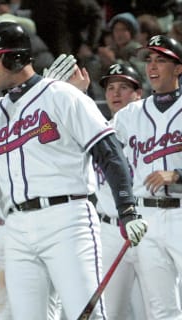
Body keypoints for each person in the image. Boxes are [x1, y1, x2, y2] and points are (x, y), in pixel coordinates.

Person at [0, 21, 148, 319]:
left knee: (88, 314)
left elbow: (109, 152)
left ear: (15, 57)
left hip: (67, 221)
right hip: (16, 227)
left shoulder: (62, 95)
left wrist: (127, 209)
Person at [113, 34, 182, 319]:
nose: (152, 66)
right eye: (149, 60)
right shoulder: (129, 114)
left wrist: (177, 175)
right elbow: (91, 142)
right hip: (146, 218)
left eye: (161, 60)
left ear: (179, 68)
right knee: (161, 309)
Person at [94, 63, 147, 319]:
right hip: (109, 229)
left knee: (152, 309)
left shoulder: (149, 129)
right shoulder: (96, 130)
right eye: (110, 87)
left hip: (145, 224)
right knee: (110, 312)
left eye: (124, 87)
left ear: (139, 93)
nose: (115, 93)